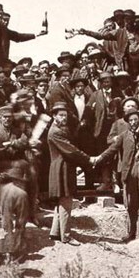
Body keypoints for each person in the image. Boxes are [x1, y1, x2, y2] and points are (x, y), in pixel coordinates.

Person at [98, 109, 139, 243]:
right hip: (129, 171)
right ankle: (131, 232)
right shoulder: (123, 136)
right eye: (131, 120)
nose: (133, 123)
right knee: (131, 203)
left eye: (135, 120)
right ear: (127, 122)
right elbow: (111, 150)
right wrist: (99, 158)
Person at [46, 102, 93, 245]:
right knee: (66, 201)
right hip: (62, 169)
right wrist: (88, 159)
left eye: (65, 115)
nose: (64, 118)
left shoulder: (61, 128)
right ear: (54, 116)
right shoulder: (55, 132)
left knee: (62, 201)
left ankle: (55, 232)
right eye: (60, 115)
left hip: (63, 167)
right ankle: (66, 235)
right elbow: (71, 150)